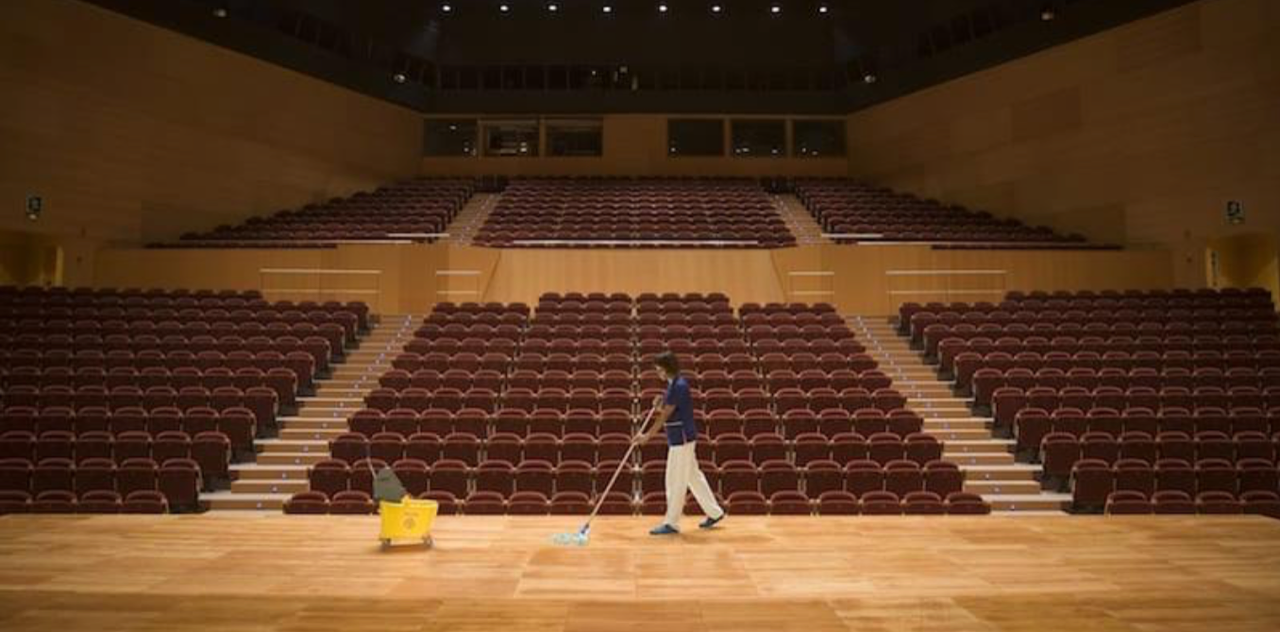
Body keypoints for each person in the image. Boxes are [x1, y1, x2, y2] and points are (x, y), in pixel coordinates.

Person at [637, 351, 726, 535]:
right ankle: (715, 512)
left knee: (675, 480)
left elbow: (665, 415)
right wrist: (659, 403)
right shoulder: (673, 386)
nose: (657, 372)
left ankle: (672, 523)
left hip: (681, 438)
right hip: (680, 438)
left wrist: (647, 436)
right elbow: (670, 408)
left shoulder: (678, 386)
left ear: (666, 368)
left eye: (658, 369)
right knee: (693, 477)